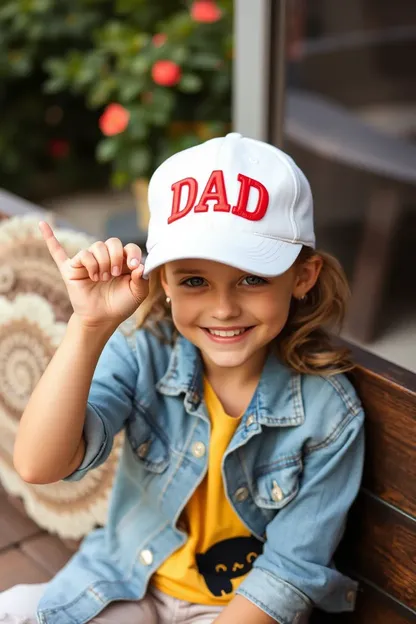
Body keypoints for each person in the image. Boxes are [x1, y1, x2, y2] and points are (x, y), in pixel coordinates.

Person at [0, 133, 365, 624]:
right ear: (163, 281)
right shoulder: (142, 351)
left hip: (234, 611)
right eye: (194, 280)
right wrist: (88, 328)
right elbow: (38, 463)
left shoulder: (329, 413)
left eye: (252, 278)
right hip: (127, 579)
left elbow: (289, 574)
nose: (223, 308)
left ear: (303, 276)